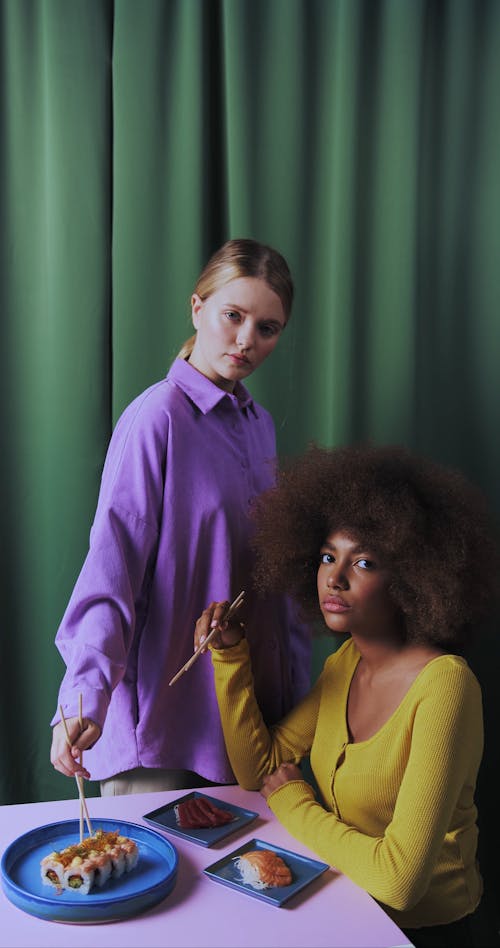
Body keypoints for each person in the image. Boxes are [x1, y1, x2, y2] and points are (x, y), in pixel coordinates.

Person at [194, 444, 500, 947]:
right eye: (327, 557)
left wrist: (296, 802)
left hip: (423, 933)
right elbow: (259, 768)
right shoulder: (346, 664)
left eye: (363, 562)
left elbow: (399, 881)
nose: (334, 578)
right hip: (342, 904)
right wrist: (229, 657)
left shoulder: (447, 687)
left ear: (410, 578)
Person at [50, 238, 311, 796]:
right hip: (161, 730)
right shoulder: (156, 418)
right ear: (198, 308)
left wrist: (293, 701)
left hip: (246, 724)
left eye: (267, 328)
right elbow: (111, 568)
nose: (246, 341)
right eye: (233, 316)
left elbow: (274, 579)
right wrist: (83, 697)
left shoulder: (259, 424)